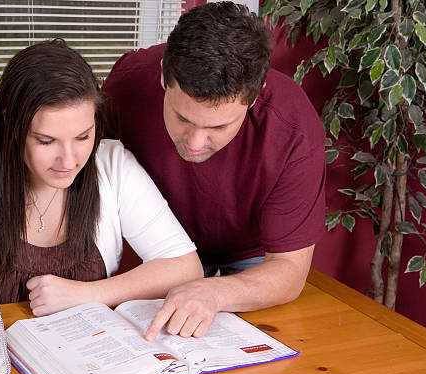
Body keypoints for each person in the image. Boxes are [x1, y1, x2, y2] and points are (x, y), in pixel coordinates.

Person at [0, 39, 202, 374]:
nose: (69, 161)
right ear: (12, 126)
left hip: (90, 360)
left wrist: (88, 295)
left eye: (82, 137)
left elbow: (185, 268)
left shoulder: (113, 165)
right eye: (46, 141)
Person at [102, 2, 326, 340]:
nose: (194, 142)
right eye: (182, 118)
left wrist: (215, 292)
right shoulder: (126, 84)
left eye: (218, 126)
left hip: (249, 256)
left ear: (254, 96)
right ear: (164, 75)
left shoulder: (294, 128)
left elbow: (289, 270)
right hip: (155, 248)